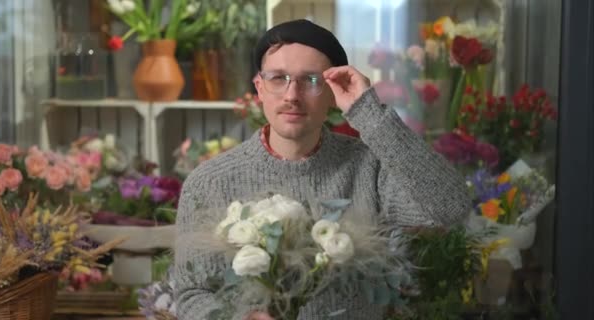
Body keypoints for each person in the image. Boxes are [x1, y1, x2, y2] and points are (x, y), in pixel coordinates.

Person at [174, 19, 470, 320]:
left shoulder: (370, 168)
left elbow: (451, 208)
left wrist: (368, 112)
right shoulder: (210, 182)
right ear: (259, 88)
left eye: (311, 80)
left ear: (333, 94)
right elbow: (190, 293)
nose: (292, 95)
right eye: (278, 78)